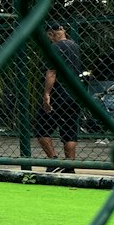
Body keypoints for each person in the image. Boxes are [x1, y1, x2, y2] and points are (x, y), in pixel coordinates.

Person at [35, 21, 81, 173]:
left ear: (50, 34)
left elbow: (51, 72)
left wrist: (47, 94)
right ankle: (70, 166)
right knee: (69, 131)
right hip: (74, 93)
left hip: (58, 93)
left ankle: (53, 160)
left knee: (41, 127)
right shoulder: (74, 46)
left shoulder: (54, 48)